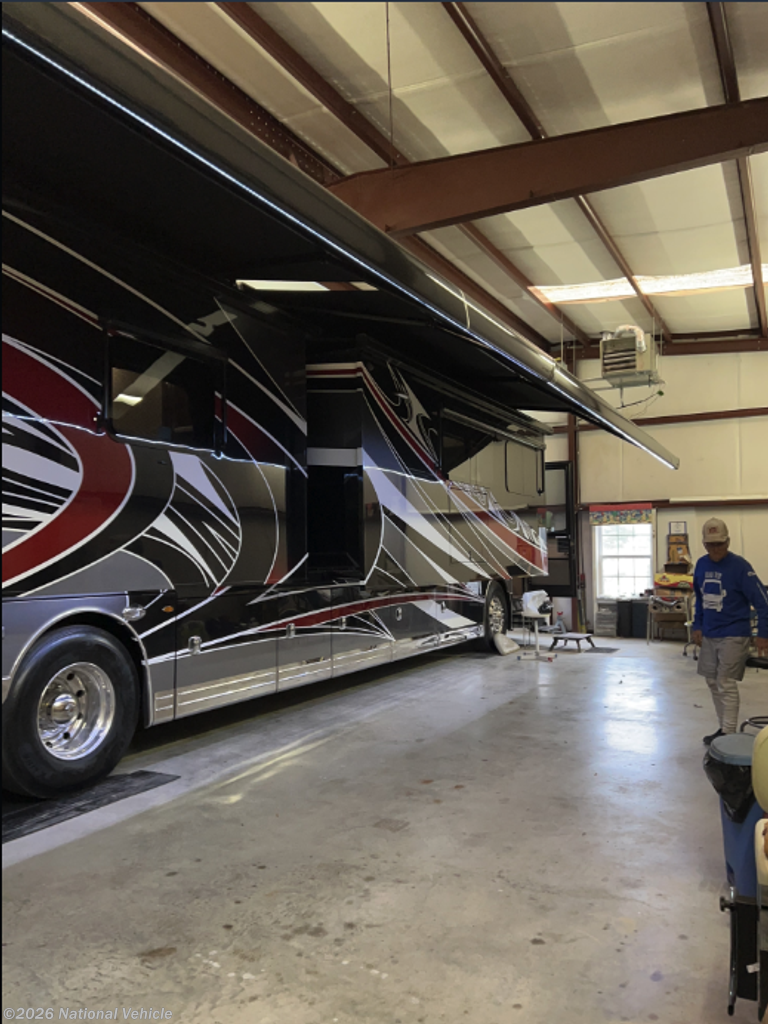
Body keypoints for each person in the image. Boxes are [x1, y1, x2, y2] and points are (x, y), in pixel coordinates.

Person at [691, 517, 768, 744]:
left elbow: (763, 602)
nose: (716, 549)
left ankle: (729, 733)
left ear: (728, 542)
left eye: (720, 544)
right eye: (711, 545)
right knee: (712, 681)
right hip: (710, 632)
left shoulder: (741, 567)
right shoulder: (701, 565)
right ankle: (723, 727)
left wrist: (763, 634)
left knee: (725, 682)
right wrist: (697, 625)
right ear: (704, 544)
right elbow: (700, 599)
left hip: (735, 632)